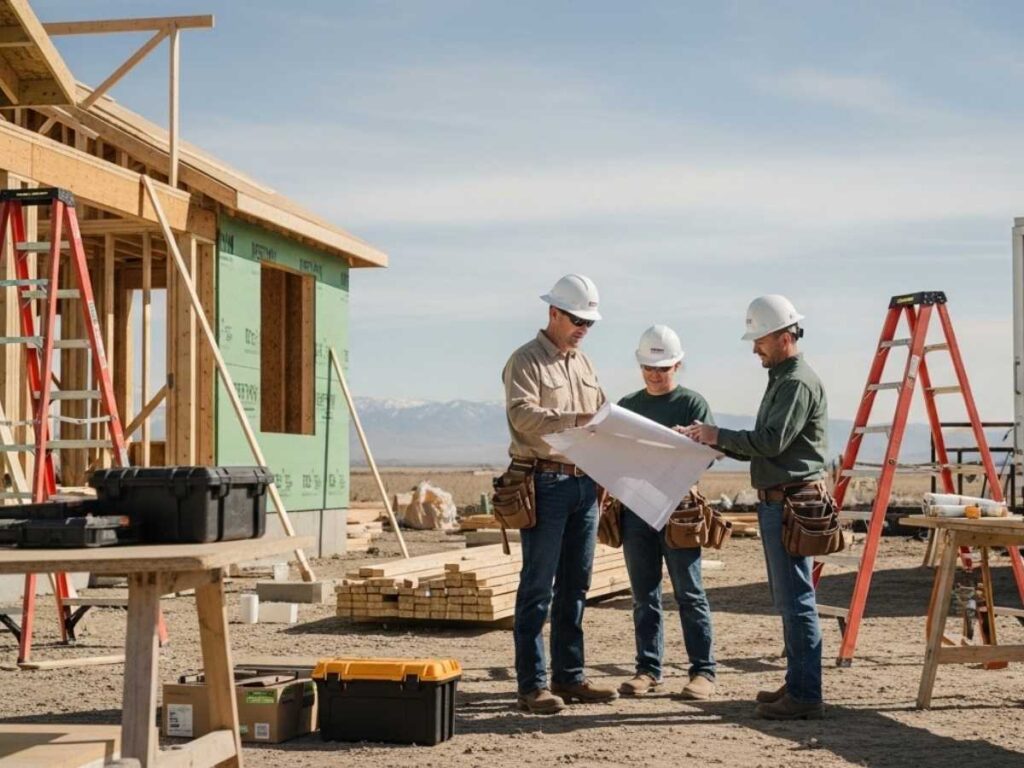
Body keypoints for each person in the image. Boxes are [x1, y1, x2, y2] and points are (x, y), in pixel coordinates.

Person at [682, 295, 828, 720]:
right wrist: (716, 441)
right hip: (782, 501)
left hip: (788, 503)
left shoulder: (795, 383)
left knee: (796, 599)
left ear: (784, 337)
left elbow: (770, 443)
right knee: (790, 598)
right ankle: (799, 682)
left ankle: (805, 694)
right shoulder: (784, 378)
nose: (754, 350)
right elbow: (767, 444)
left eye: (759, 341)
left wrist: (718, 435)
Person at [502, 273, 618, 715]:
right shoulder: (525, 361)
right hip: (544, 483)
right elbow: (522, 416)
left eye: (590, 322)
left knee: (576, 585)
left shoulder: (584, 364)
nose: (584, 328)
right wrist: (578, 418)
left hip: (584, 483)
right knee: (538, 586)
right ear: (553, 313)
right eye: (577, 320)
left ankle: (569, 677)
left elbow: (603, 416)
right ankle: (532, 685)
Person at [616, 325, 717, 700]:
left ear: (677, 365)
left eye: (662, 368)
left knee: (689, 593)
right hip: (636, 509)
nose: (655, 375)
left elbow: (705, 458)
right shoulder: (627, 407)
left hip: (680, 510)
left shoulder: (693, 405)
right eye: (648, 368)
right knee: (644, 595)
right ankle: (648, 670)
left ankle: (703, 672)